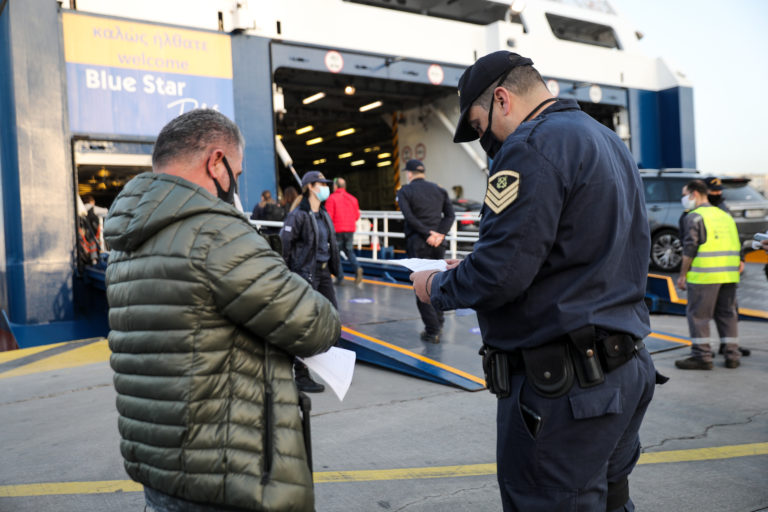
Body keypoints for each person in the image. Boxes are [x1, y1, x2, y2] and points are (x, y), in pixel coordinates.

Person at [410, 51, 660, 511]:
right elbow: (571, 254)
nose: (487, 142)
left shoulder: (530, 147)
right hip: (624, 372)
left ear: (502, 99)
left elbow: (499, 274)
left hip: (566, 392)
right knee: (611, 501)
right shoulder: (606, 140)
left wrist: (434, 287)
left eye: (482, 127)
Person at [104, 109, 340, 512]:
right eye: (238, 173)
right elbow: (315, 324)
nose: (236, 185)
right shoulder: (215, 232)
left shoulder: (126, 237)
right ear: (216, 162)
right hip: (226, 471)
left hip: (158, 463)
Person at [280, 170, 342, 393]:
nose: (325, 187)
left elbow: (331, 245)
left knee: (332, 319)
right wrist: (286, 275)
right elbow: (284, 246)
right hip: (304, 274)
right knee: (304, 325)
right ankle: (301, 374)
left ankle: (332, 367)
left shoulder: (323, 214)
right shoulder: (298, 215)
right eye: (321, 184)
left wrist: (337, 269)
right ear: (310, 187)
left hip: (324, 274)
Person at [675, 179, 743, 370]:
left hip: (705, 275)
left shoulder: (695, 217)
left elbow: (690, 248)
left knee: (699, 316)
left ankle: (702, 356)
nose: (683, 198)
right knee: (727, 314)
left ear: (694, 194)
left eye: (684, 194)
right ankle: (732, 355)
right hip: (729, 275)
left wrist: (682, 274)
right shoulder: (724, 215)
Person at [396, 159, 455, 344]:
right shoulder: (439, 190)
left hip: (418, 242)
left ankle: (432, 330)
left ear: (409, 173)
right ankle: (439, 321)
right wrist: (439, 234)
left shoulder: (405, 191)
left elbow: (409, 217)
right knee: (437, 281)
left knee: (421, 285)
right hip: (438, 243)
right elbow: (450, 215)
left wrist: (427, 233)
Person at [326, 177, 363, 285]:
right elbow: (357, 216)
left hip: (337, 230)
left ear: (336, 186)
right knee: (349, 251)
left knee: (335, 253)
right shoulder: (353, 199)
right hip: (350, 229)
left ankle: (340, 277)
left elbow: (329, 216)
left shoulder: (331, 198)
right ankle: (357, 268)